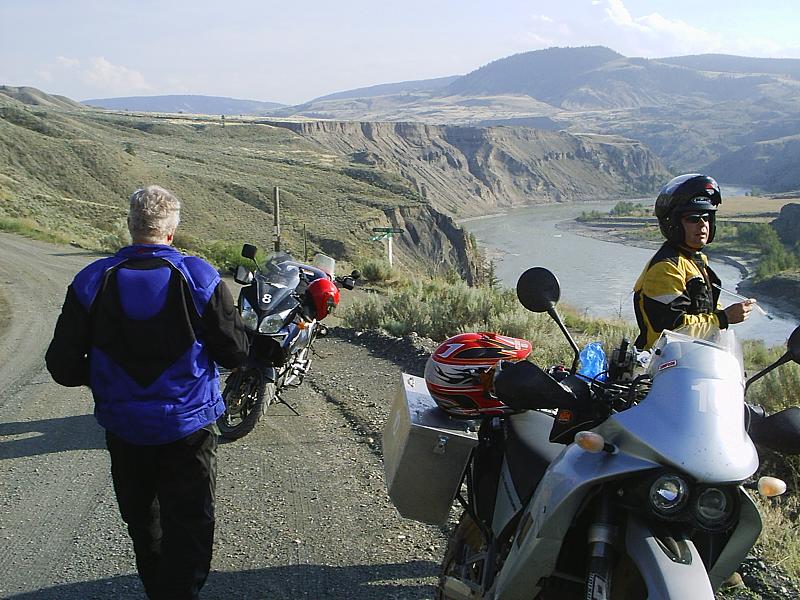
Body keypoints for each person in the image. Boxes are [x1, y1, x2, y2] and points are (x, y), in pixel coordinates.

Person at [45, 185, 249, 600]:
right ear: (171, 232)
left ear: (130, 225)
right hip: (188, 425)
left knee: (142, 519)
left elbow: (62, 367)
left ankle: (159, 589)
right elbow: (235, 352)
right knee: (191, 520)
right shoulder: (199, 276)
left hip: (124, 426)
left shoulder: (92, 279)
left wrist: (105, 379)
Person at [633, 173, 755, 350]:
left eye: (707, 217)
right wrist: (724, 318)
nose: (703, 224)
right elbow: (673, 330)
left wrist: (722, 315)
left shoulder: (695, 260)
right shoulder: (666, 268)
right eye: (693, 219)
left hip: (695, 358)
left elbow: (706, 310)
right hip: (665, 361)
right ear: (673, 224)